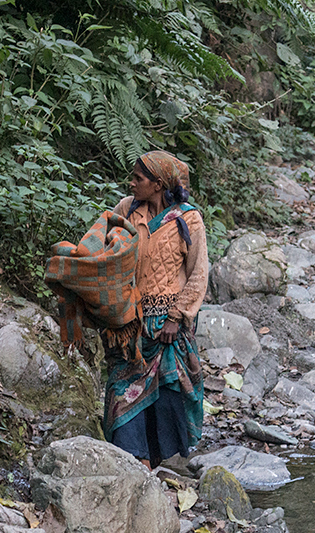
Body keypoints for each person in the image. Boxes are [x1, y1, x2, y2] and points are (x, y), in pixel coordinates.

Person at [103, 150, 208, 469]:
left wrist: (177, 317)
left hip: (167, 327)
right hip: (128, 326)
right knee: (122, 393)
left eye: (138, 178)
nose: (131, 182)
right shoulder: (126, 209)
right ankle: (136, 460)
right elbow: (104, 252)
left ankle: (154, 463)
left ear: (158, 184)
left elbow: (199, 273)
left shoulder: (188, 219)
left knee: (166, 396)